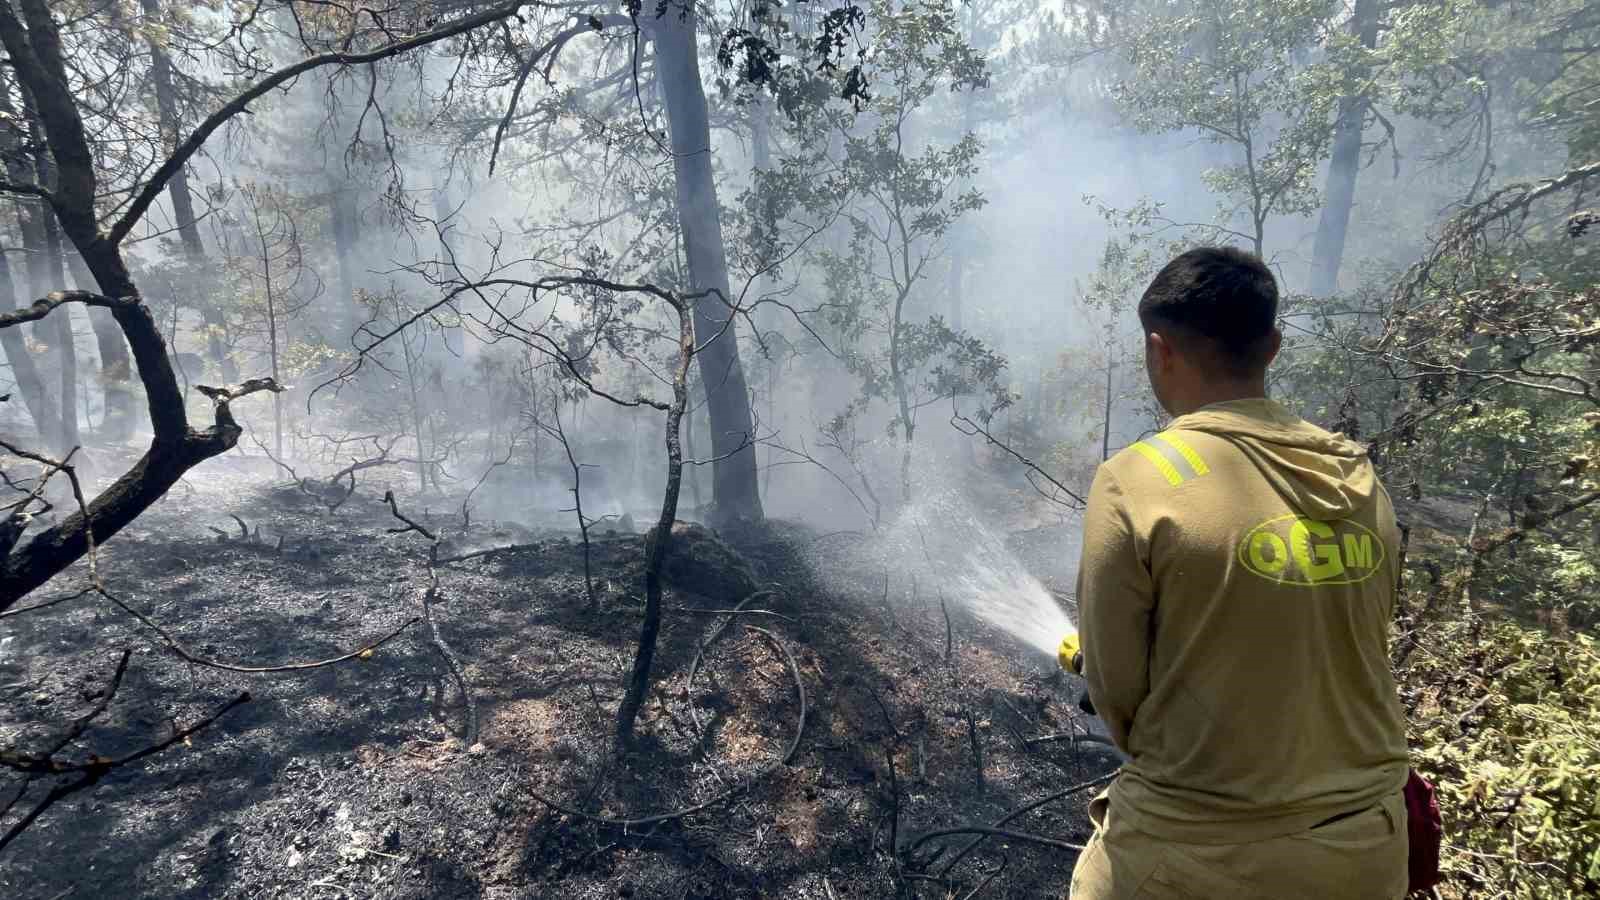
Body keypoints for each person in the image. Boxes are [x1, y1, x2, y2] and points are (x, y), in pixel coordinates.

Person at [1064, 247, 1410, 899]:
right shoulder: (1357, 476)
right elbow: (1347, 636)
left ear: (1158, 350)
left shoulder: (1136, 479)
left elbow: (1117, 693)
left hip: (1194, 852)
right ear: (1272, 346)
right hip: (1367, 846)